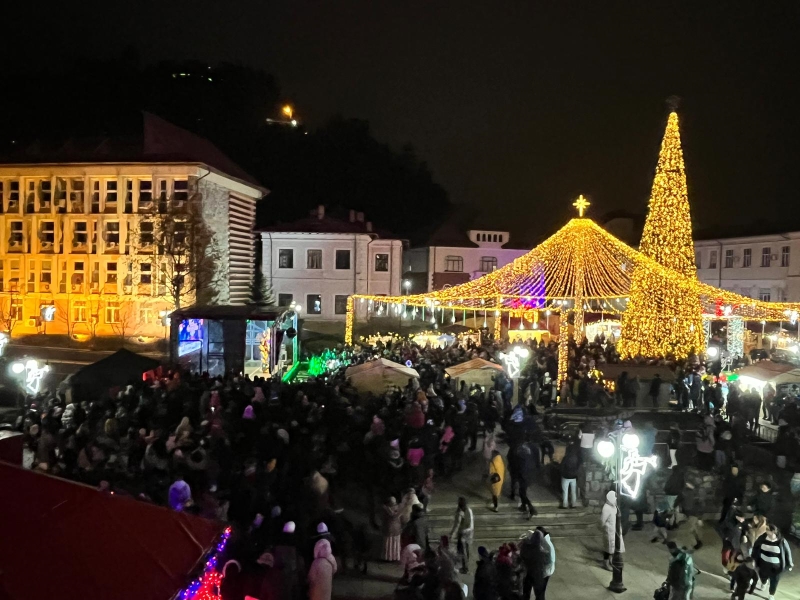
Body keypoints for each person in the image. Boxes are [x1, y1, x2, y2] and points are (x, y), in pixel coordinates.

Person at [753, 525, 793, 600]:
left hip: (776, 566)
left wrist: (790, 564)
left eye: (768, 530)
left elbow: (788, 552)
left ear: (773, 531)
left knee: (774, 580)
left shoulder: (781, 541)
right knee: (763, 576)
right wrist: (753, 558)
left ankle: (771, 594)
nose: (766, 531)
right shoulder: (762, 538)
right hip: (763, 563)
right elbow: (755, 548)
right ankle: (764, 583)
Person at [521, 530, 553, 600]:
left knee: (526, 593)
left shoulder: (526, 547)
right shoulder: (543, 552)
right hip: (538, 575)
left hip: (527, 573)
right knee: (539, 595)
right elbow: (548, 562)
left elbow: (522, 556)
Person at [450, 496, 474, 574]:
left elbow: (457, 525)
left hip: (464, 534)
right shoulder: (468, 510)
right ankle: (460, 562)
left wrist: (452, 534)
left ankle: (465, 568)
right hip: (467, 532)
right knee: (462, 548)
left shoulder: (461, 513)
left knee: (464, 551)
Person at [600, 490, 624, 571]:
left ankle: (611, 561)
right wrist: (603, 528)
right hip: (609, 531)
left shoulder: (614, 507)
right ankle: (606, 563)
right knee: (608, 548)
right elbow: (602, 520)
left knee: (613, 548)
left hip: (615, 530)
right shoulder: (606, 508)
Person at [676, 481, 703, 550]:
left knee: (691, 529)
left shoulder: (692, 493)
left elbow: (699, 505)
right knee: (692, 528)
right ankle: (697, 542)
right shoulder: (689, 492)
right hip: (690, 513)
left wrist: (699, 517)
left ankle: (695, 543)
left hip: (692, 514)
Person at [559, 438, 581, 509]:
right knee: (573, 491)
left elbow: (562, 467)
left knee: (565, 491)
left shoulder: (566, 458)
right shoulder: (576, 458)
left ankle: (565, 504)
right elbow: (578, 466)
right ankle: (573, 504)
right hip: (573, 477)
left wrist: (562, 473)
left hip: (566, 476)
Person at [381, 497, 402, 562]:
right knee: (394, 543)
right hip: (395, 527)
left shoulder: (386, 508)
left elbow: (392, 515)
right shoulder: (398, 507)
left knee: (389, 543)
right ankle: (395, 557)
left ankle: (388, 557)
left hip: (390, 527)